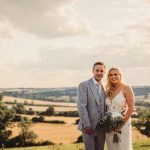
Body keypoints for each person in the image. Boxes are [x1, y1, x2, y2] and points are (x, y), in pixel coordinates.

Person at [77, 61, 106, 150]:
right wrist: (87, 125)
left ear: (104, 72)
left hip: (102, 128)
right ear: (92, 71)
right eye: (97, 70)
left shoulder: (105, 86)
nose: (99, 73)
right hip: (89, 127)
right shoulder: (84, 85)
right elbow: (81, 106)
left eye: (101, 71)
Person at [105, 67, 135, 150]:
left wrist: (120, 124)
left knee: (123, 147)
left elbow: (131, 108)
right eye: (111, 75)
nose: (113, 76)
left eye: (115, 74)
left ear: (120, 75)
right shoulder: (108, 89)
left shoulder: (127, 88)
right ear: (108, 77)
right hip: (109, 125)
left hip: (123, 124)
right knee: (111, 147)